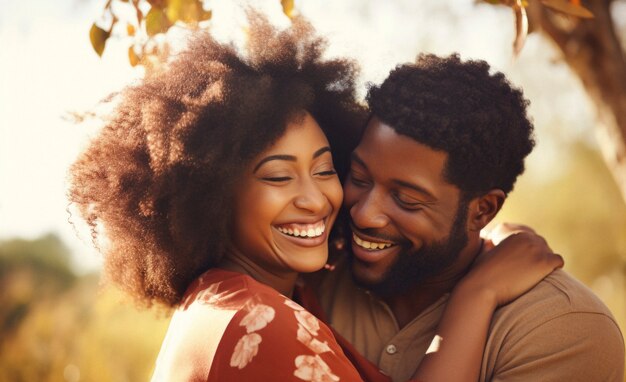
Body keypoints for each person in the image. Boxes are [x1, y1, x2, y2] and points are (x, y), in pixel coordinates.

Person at [68, 17, 562, 382]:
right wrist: (478, 295)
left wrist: (482, 235)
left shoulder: (272, 296)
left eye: (327, 169)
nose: (316, 199)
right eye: (280, 177)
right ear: (213, 195)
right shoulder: (254, 325)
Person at [309, 54, 626, 381]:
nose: (364, 213)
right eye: (359, 178)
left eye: (406, 199)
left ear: (483, 210)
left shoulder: (562, 328)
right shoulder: (315, 273)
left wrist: (475, 294)